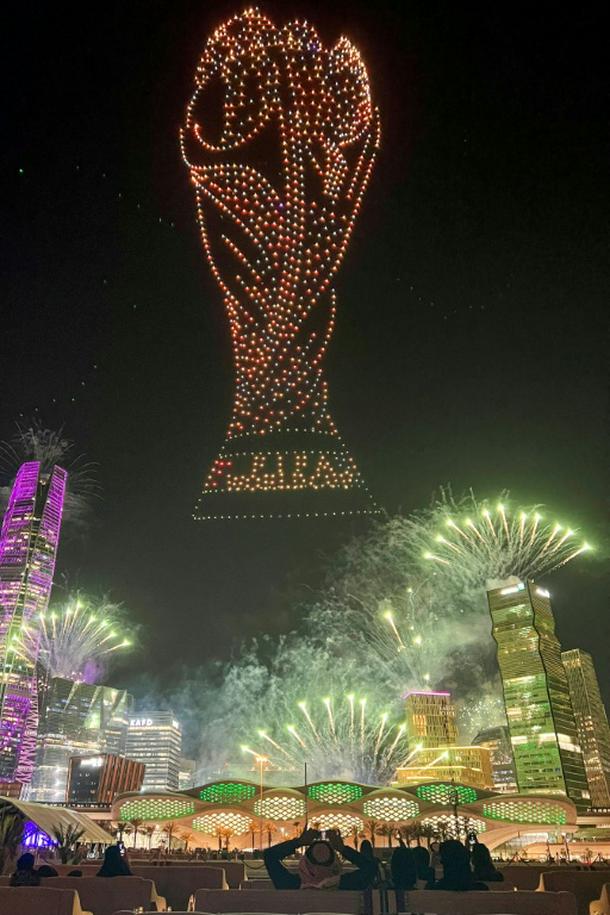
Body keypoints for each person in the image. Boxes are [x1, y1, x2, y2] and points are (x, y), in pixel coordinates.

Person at [264, 827, 377, 890]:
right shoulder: (346, 884)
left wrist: (299, 842)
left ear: (305, 862)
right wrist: (342, 848)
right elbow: (371, 867)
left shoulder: (290, 884)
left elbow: (269, 855)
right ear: (334, 862)